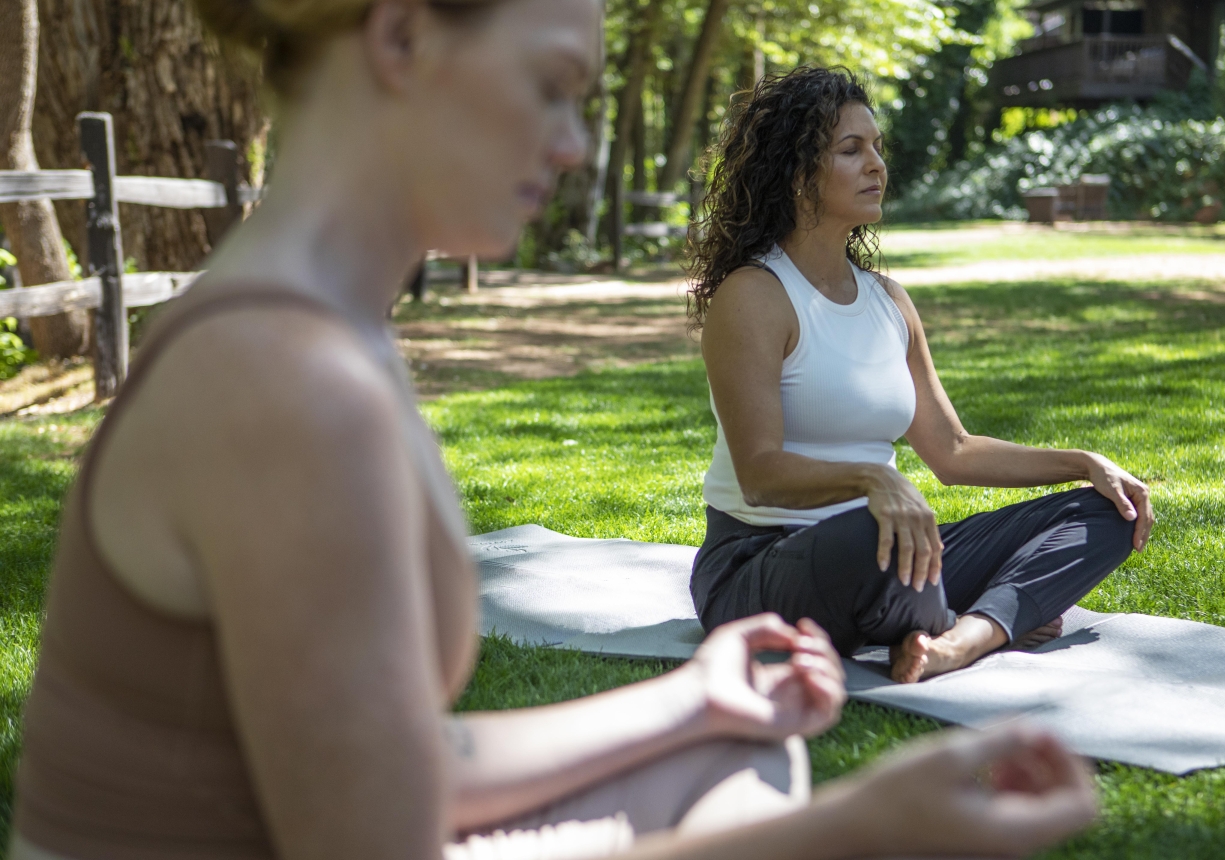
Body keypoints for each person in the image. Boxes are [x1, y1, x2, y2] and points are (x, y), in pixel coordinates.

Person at [10, 5, 1098, 860]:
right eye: (551, 87)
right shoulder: (289, 385)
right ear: (401, 37)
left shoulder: (312, 332)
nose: (577, 146)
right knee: (767, 790)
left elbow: (402, 771)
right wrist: (865, 822)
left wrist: (686, 699)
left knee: (739, 759)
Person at [688, 66, 1156, 685]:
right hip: (760, 562)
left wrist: (1083, 462)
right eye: (851, 150)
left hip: (891, 546)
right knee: (875, 543)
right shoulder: (754, 295)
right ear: (796, 173)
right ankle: (984, 610)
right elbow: (758, 474)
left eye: (878, 148)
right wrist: (873, 479)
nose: (877, 165)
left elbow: (954, 452)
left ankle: (960, 638)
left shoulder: (888, 300)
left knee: (1107, 514)